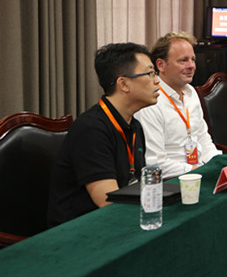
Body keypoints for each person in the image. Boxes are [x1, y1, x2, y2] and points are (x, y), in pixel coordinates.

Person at [48, 43, 158, 226]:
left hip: (119, 219)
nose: (157, 81)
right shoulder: (91, 129)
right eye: (150, 73)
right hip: (79, 229)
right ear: (123, 84)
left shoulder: (134, 125)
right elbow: (108, 201)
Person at [134, 32, 221, 179]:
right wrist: (200, 170)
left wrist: (218, 163)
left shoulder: (191, 92)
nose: (191, 66)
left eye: (193, 59)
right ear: (161, 65)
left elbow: (202, 137)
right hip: (172, 180)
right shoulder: (150, 102)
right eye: (183, 60)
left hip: (199, 171)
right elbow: (156, 163)